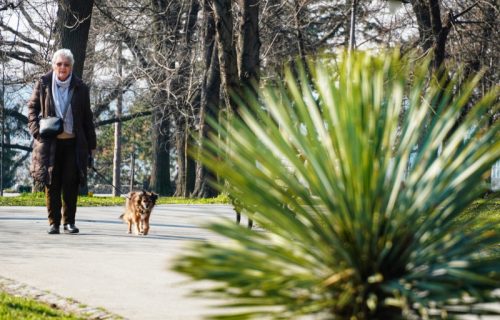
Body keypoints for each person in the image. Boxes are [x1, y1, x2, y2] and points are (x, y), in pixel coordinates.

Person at [28, 49, 97, 234]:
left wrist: (92, 146)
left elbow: (87, 119)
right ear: (53, 65)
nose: (62, 68)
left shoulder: (80, 87)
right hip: (50, 143)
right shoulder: (43, 83)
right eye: (59, 64)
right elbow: (32, 108)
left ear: (71, 67)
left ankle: (69, 222)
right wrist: (37, 131)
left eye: (66, 64)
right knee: (52, 183)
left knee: (71, 183)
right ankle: (54, 223)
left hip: (73, 143)